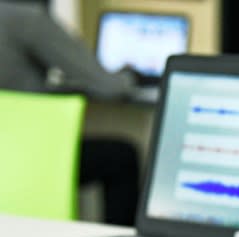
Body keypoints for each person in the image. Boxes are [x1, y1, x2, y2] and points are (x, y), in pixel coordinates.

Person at [0, 0, 141, 225]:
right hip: (26, 157)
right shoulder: (26, 18)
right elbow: (109, 87)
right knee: (122, 156)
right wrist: (128, 77)